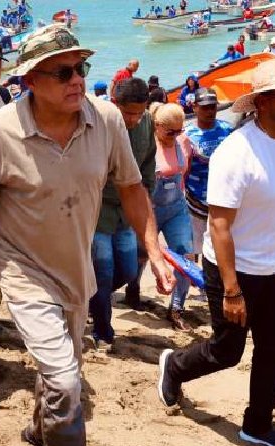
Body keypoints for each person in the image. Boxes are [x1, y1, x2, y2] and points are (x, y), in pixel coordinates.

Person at [0, 25, 174, 446]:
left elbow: (131, 186)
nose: (77, 80)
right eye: (63, 72)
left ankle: (39, 430)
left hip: (76, 269)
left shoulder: (106, 119)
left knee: (62, 372)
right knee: (67, 382)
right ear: (31, 80)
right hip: (23, 272)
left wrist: (153, 246)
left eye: (81, 68)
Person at [157, 59, 275, 446]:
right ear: (262, 103)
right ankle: (174, 366)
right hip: (231, 267)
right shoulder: (237, 153)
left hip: (273, 265)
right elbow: (219, 226)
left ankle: (258, 425)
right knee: (227, 351)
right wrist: (232, 290)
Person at [89, 77, 157, 352]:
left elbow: (148, 162)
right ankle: (102, 330)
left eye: (139, 113)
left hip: (127, 211)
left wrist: (146, 200)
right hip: (99, 210)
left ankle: (92, 300)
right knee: (103, 271)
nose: (133, 119)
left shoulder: (147, 123)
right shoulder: (98, 123)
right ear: (115, 104)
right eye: (128, 113)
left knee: (128, 270)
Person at [128, 102, 194, 330]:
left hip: (176, 208)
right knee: (140, 255)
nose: (175, 135)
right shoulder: (145, 146)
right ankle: (133, 291)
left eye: (179, 130)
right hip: (150, 210)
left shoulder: (183, 142)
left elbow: (186, 171)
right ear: (157, 125)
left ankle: (176, 308)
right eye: (170, 132)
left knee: (185, 256)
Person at [184, 88, 233, 264]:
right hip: (195, 203)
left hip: (223, 201)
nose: (210, 111)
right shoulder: (186, 134)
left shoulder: (228, 130)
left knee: (218, 251)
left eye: (213, 107)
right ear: (194, 107)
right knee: (191, 251)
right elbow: (182, 169)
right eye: (205, 107)